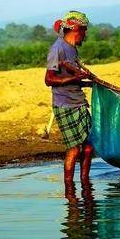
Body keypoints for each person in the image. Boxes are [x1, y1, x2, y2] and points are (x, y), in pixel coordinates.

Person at [44, 11, 94, 185]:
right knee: (74, 149)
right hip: (64, 105)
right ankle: (70, 191)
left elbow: (74, 80)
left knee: (88, 149)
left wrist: (88, 84)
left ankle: (85, 183)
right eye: (84, 31)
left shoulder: (72, 49)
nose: (85, 35)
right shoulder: (57, 49)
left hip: (79, 103)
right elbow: (49, 79)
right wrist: (75, 78)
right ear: (76, 30)